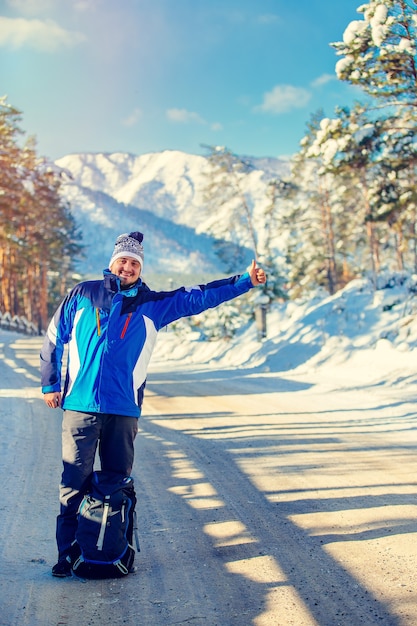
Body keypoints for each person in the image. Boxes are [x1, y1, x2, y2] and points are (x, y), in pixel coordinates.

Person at [40, 231, 267, 577]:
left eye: (134, 263)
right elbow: (55, 336)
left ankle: (112, 551)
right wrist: (51, 383)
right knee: (73, 483)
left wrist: (244, 282)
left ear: (140, 268)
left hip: (123, 410)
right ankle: (66, 554)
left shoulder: (153, 305)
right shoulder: (84, 293)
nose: (128, 267)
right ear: (112, 262)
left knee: (117, 483)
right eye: (123, 261)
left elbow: (199, 296)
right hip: (81, 407)